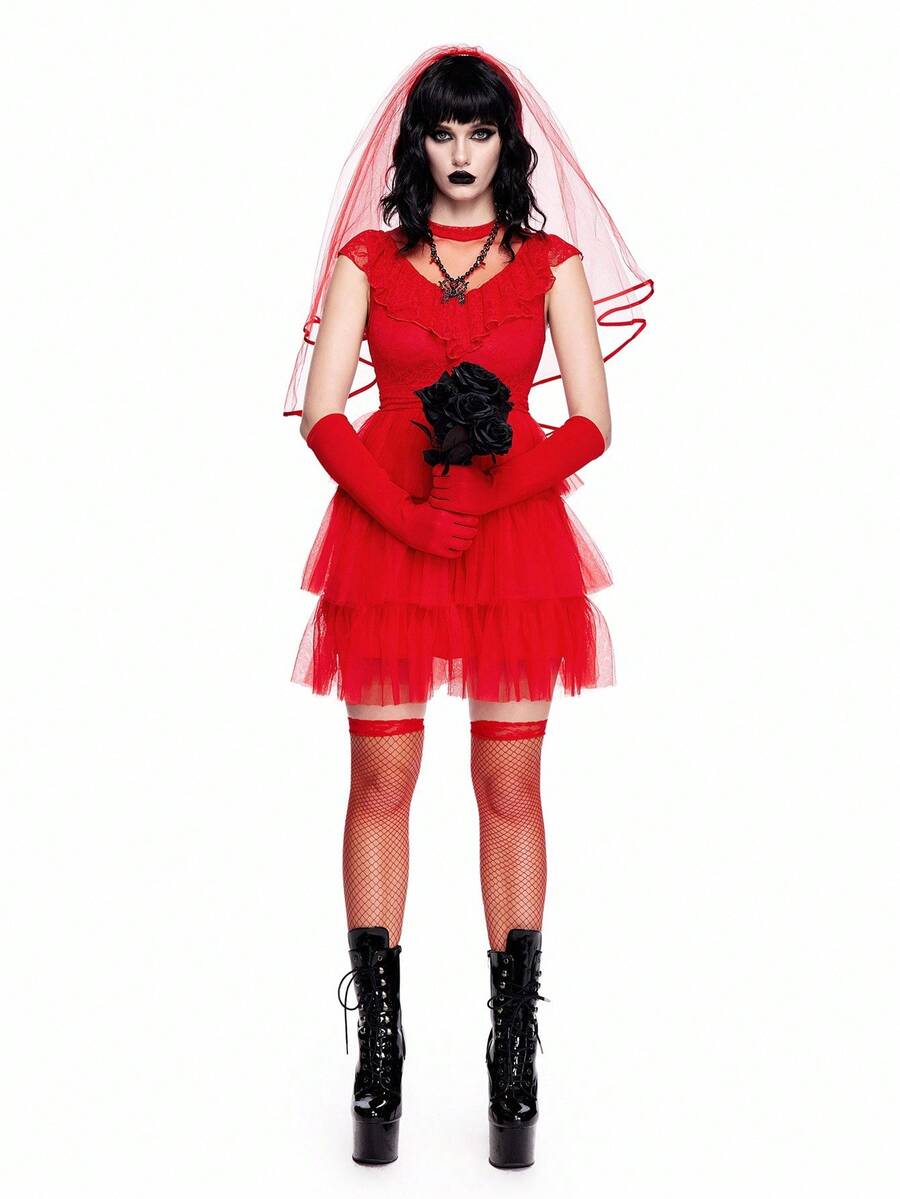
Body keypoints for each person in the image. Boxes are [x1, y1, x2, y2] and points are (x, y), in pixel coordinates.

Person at [283, 45, 653, 1168]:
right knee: (381, 781)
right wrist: (406, 518)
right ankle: (379, 1048)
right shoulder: (365, 261)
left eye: (480, 132)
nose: (460, 152)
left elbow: (590, 419)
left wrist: (495, 495)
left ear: (506, 144)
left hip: (512, 543)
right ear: (416, 145)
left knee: (510, 786)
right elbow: (323, 413)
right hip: (389, 538)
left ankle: (514, 1051)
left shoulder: (549, 264)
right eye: (443, 132)